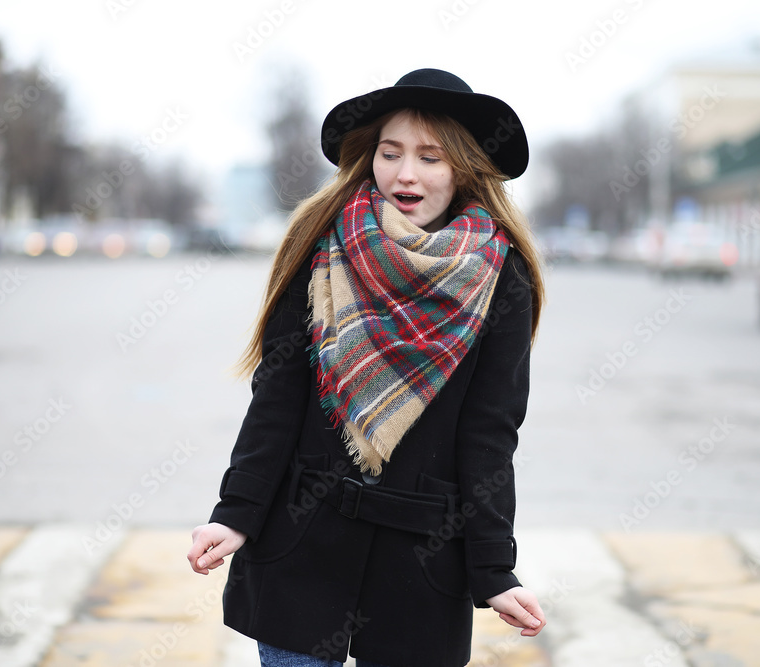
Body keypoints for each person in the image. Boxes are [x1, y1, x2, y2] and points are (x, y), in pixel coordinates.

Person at [187, 68, 547, 667]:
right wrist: (236, 513)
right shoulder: (320, 245)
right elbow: (277, 394)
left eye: (431, 157)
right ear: (369, 157)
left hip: (420, 571)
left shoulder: (501, 277)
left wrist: (493, 570)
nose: (406, 173)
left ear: (463, 167)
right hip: (300, 553)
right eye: (390, 153)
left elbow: (490, 433)